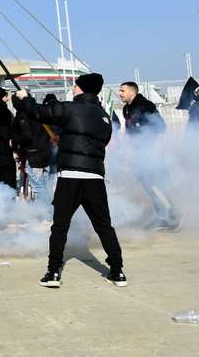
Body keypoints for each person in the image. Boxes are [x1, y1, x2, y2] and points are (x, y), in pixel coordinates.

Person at [14, 73, 127, 289]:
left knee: (60, 226)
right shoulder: (104, 116)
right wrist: (65, 139)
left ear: (82, 88)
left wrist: (24, 97)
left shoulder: (69, 108)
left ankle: (53, 272)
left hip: (70, 177)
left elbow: (38, 113)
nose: (73, 89)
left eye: (75, 86)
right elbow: (97, 141)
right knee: (104, 226)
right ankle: (117, 271)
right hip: (95, 176)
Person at [118, 81, 180, 230]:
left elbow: (160, 127)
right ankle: (161, 216)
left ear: (132, 92)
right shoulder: (127, 108)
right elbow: (130, 131)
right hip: (137, 154)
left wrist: (157, 150)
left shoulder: (146, 105)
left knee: (160, 182)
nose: (120, 93)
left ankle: (176, 213)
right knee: (147, 185)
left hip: (151, 151)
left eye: (123, 91)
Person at [10, 95, 53, 201]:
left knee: (38, 187)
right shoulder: (39, 111)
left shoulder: (22, 116)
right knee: (45, 185)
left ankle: (45, 213)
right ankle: (50, 211)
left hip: (34, 154)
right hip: (46, 152)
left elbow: (27, 136)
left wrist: (14, 141)